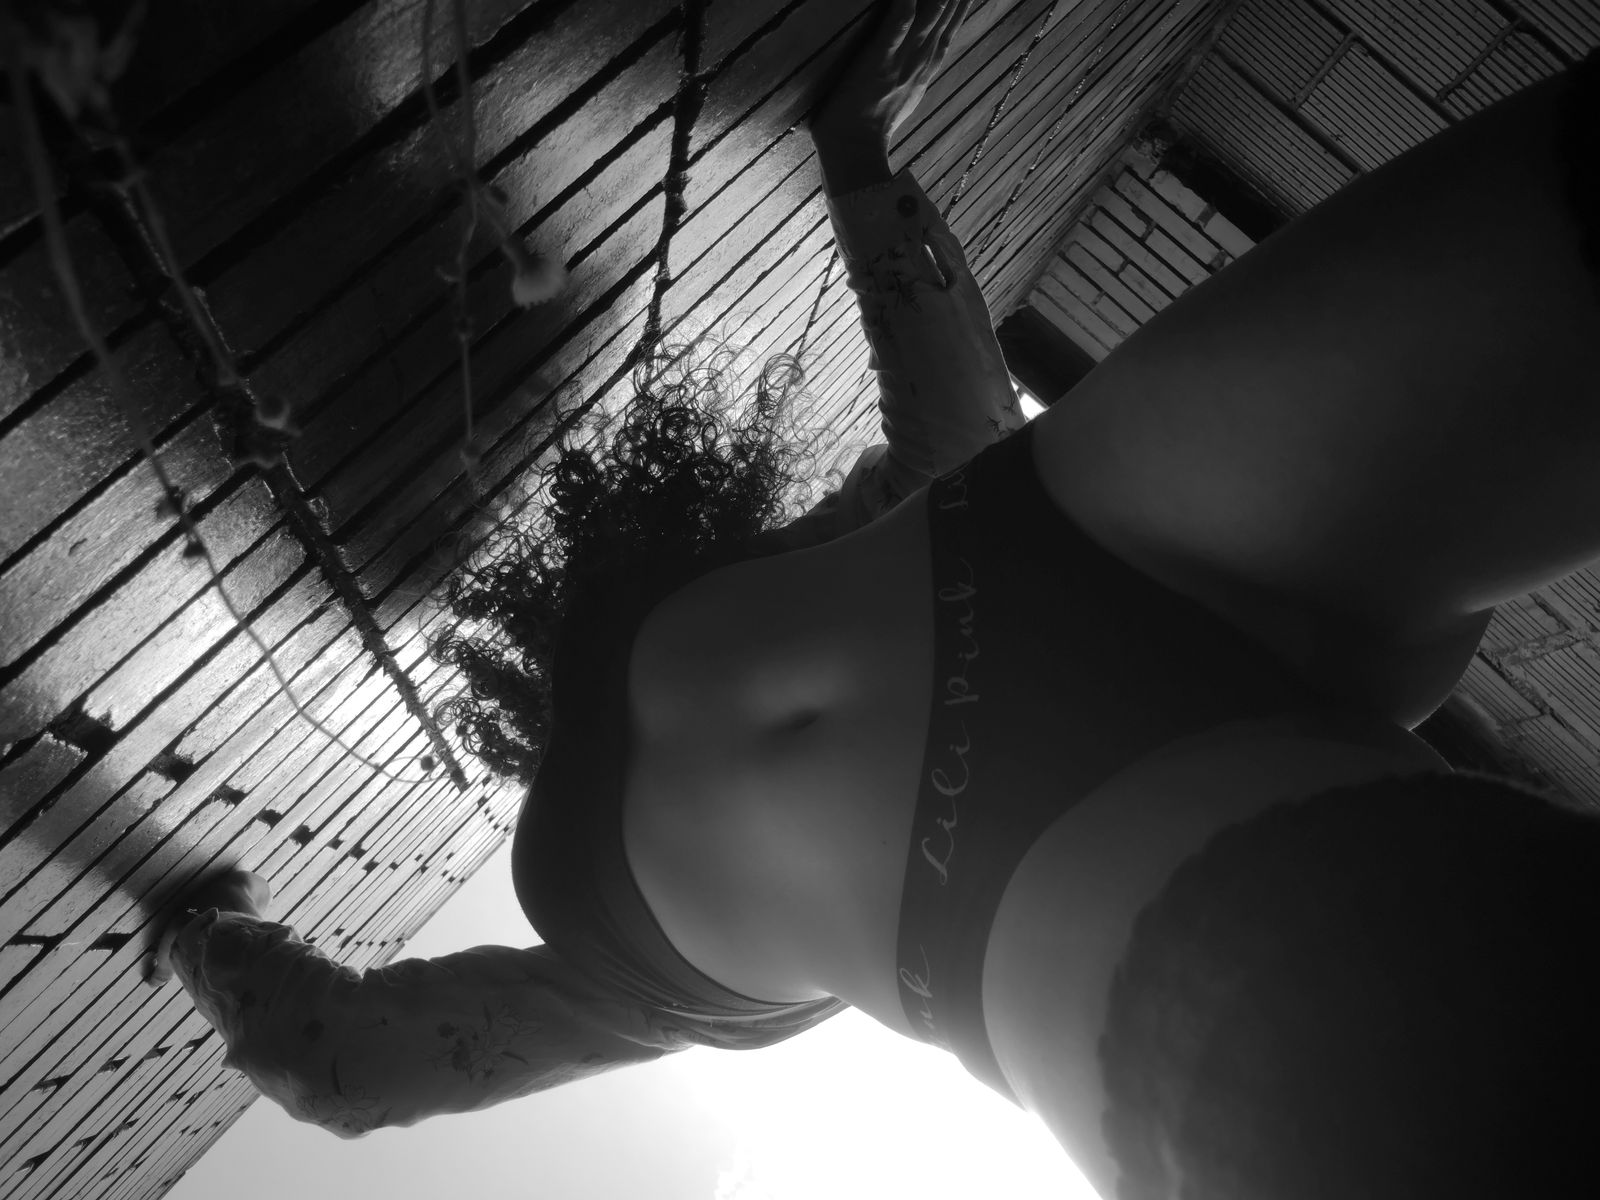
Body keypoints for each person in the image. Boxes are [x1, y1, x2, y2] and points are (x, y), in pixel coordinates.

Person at [150, 2, 1600, 1195]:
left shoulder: (648, 984)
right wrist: (210, 941)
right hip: (1104, 611)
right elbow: (342, 1069)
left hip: (1089, 668)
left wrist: (204, 938)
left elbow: (346, 1070)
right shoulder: (664, 933)